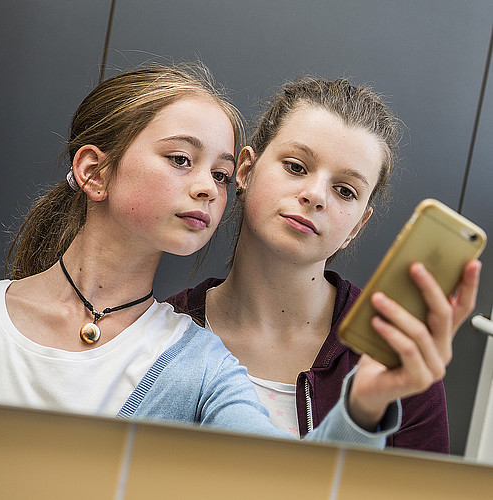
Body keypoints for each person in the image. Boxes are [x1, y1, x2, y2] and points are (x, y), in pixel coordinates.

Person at [0, 64, 400, 448]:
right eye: (181, 160)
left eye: (219, 174)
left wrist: (362, 408)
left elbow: (292, 478)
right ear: (95, 172)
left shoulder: (203, 362)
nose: (208, 186)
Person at [166, 76, 482, 453]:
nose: (315, 196)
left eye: (345, 191)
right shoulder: (165, 332)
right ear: (246, 171)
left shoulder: (395, 355)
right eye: (296, 167)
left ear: (356, 226)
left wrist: (368, 407)